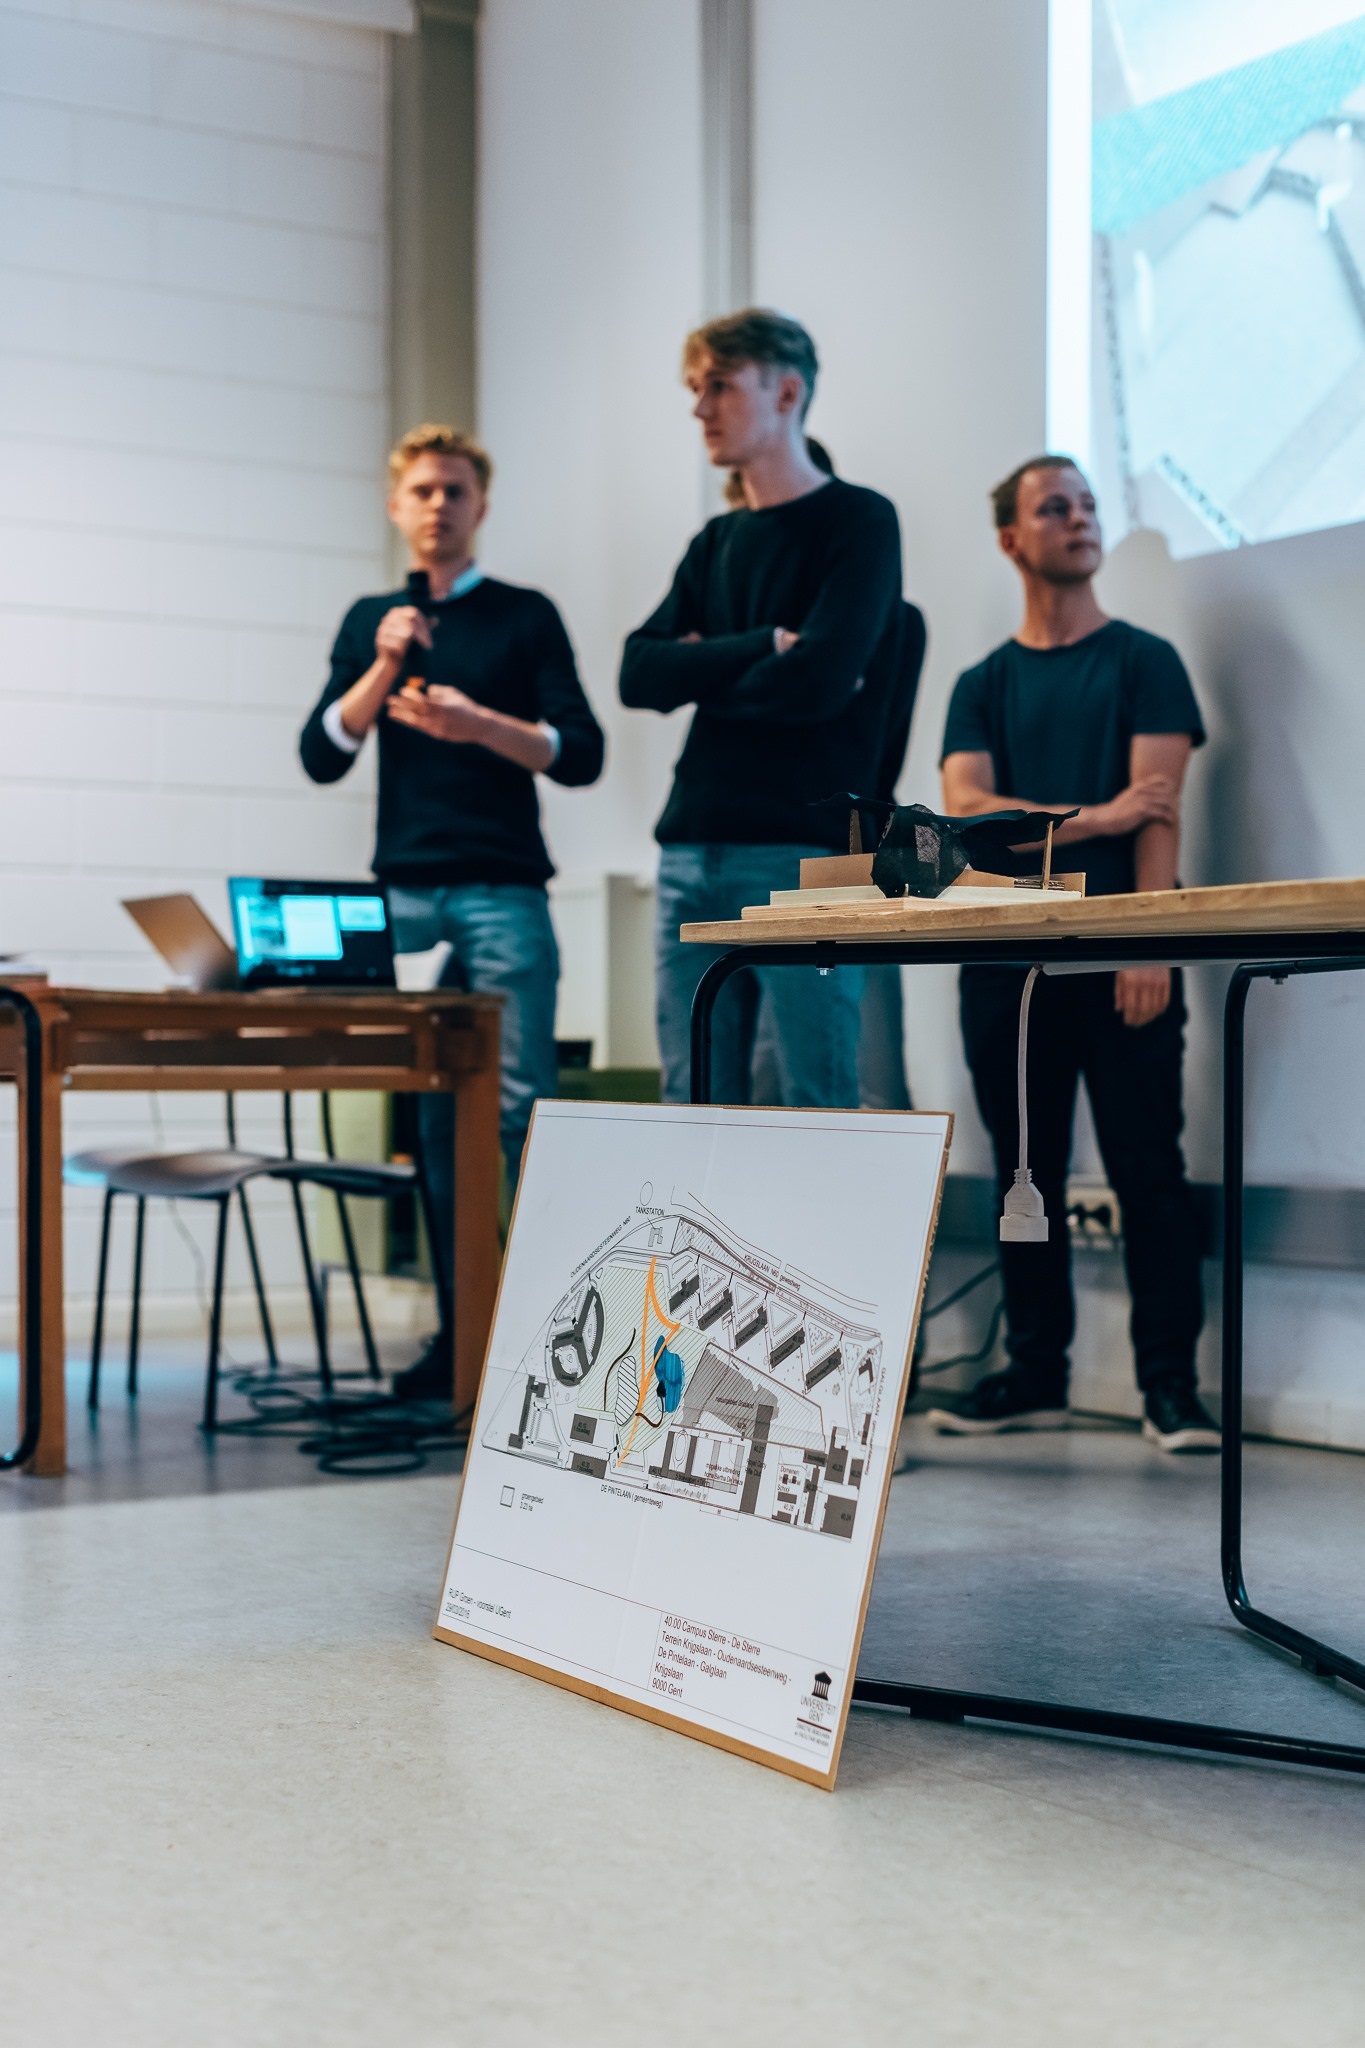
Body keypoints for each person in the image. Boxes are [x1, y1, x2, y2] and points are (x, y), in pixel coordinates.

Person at [300, 424, 604, 1400]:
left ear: (481, 506)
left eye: (456, 490)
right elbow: (321, 752)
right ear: (397, 506)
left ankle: (541, 1338)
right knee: (429, 1112)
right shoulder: (372, 621)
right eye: (423, 490)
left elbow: (582, 752)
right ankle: (461, 1331)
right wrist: (384, 663)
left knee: (514, 1111)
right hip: (402, 897)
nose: (439, 505)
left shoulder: (524, 616)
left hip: (502, 889)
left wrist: (477, 724)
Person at [930, 454, 1218, 1454]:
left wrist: (1147, 939)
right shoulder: (980, 684)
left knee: (1149, 1169)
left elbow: (1159, 813)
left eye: (1089, 504)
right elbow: (967, 814)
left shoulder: (1146, 660)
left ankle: (1169, 1389)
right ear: (1011, 538)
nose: (1080, 519)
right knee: (1025, 1171)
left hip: (1121, 953)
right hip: (1005, 962)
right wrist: (1096, 815)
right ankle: (1035, 1374)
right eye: (1055, 507)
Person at [619, 309, 904, 1107]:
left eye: (718, 385)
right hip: (689, 850)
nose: (699, 407)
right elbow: (637, 674)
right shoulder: (714, 543)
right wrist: (758, 647)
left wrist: (700, 669)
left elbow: (816, 684)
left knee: (814, 1097)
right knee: (691, 1097)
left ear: (785, 392)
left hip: (799, 853)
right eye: (694, 388)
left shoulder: (860, 520)